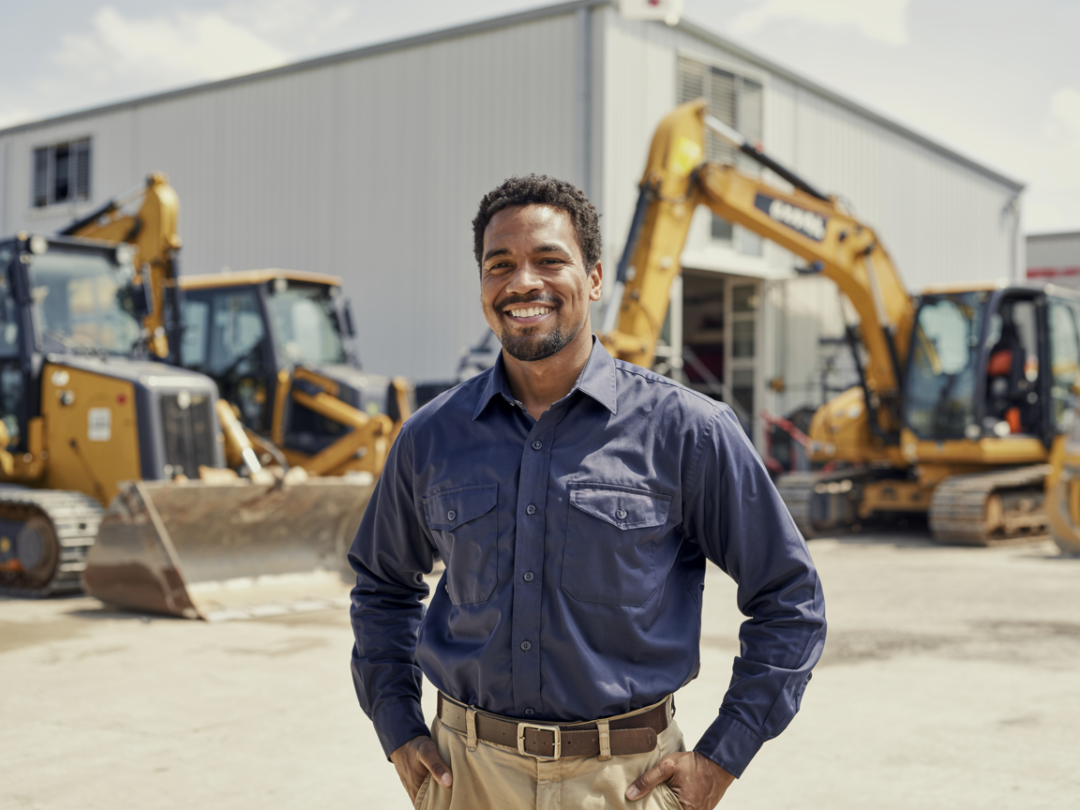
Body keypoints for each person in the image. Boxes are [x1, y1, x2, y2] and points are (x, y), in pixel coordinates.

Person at [349, 175, 826, 810]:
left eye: (550, 260)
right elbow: (382, 586)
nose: (523, 283)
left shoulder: (688, 432)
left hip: (623, 783)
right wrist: (398, 728)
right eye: (501, 266)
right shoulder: (430, 437)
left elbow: (790, 598)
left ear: (595, 279)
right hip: (466, 780)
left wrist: (720, 758)